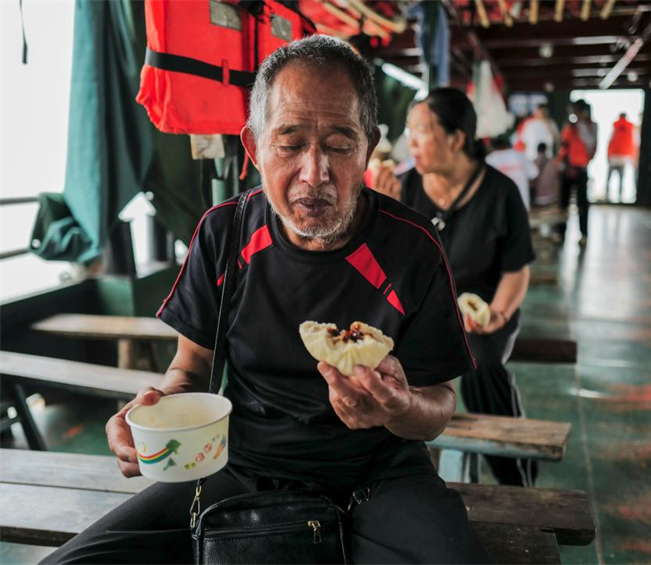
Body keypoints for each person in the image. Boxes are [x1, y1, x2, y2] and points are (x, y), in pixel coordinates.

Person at [44, 36, 491, 564]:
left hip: (381, 475)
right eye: (290, 142)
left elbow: (438, 405)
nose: (314, 173)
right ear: (254, 147)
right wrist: (154, 419)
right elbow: (190, 372)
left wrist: (400, 408)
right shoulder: (224, 233)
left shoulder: (413, 246)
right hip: (237, 464)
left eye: (340, 144)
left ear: (369, 146)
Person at [374, 88, 536, 487]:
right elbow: (380, 270)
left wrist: (497, 313)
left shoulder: (501, 193)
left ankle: (515, 475)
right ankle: (400, 476)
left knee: (481, 361)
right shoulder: (402, 189)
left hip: (484, 308)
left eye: (421, 131)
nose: (409, 141)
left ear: (456, 138)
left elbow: (516, 270)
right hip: (416, 310)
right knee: (384, 362)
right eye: (408, 130)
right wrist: (378, 212)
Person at [555, 100, 597, 247]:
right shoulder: (569, 126)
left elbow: (591, 145)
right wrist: (562, 165)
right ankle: (560, 233)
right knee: (563, 203)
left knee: (582, 204)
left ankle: (583, 234)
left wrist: (581, 125)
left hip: (580, 169)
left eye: (577, 110)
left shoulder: (590, 127)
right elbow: (563, 146)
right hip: (567, 169)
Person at [486, 131, 537, 210]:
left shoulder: (489, 160)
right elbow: (534, 174)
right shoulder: (520, 155)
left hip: (500, 208)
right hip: (522, 205)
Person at [605, 112, 637, 203]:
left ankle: (607, 196)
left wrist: (608, 155)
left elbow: (610, 140)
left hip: (613, 157)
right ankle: (620, 198)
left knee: (609, 178)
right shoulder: (630, 126)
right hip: (624, 158)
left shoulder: (615, 125)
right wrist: (632, 157)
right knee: (621, 179)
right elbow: (634, 143)